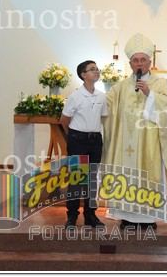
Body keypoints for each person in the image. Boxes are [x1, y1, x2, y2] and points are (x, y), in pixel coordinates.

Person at [103, 33, 167, 228]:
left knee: (147, 177)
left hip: (148, 143)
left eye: (143, 60)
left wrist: (150, 94)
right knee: (126, 178)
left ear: (150, 62)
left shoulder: (160, 84)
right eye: (135, 60)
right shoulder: (120, 87)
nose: (139, 64)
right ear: (130, 64)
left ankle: (148, 219)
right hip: (124, 144)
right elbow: (105, 106)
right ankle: (126, 217)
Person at [61, 60, 108, 228]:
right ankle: (72, 216)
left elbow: (102, 117)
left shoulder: (101, 96)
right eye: (92, 69)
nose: (96, 71)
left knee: (92, 179)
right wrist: (74, 137)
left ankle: (90, 215)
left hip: (95, 140)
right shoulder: (75, 96)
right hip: (78, 140)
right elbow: (64, 120)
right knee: (77, 179)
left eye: (97, 69)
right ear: (83, 75)